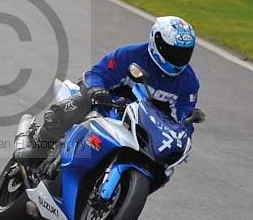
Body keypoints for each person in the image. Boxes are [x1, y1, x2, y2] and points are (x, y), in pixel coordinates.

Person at [15, 16, 200, 166]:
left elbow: (182, 121)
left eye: (184, 53)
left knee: (162, 165)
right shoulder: (130, 55)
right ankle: (39, 145)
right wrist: (97, 90)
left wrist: (184, 132)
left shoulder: (188, 82)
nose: (178, 58)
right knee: (80, 103)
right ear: (156, 41)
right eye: (172, 51)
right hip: (108, 103)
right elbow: (99, 73)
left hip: (144, 126)